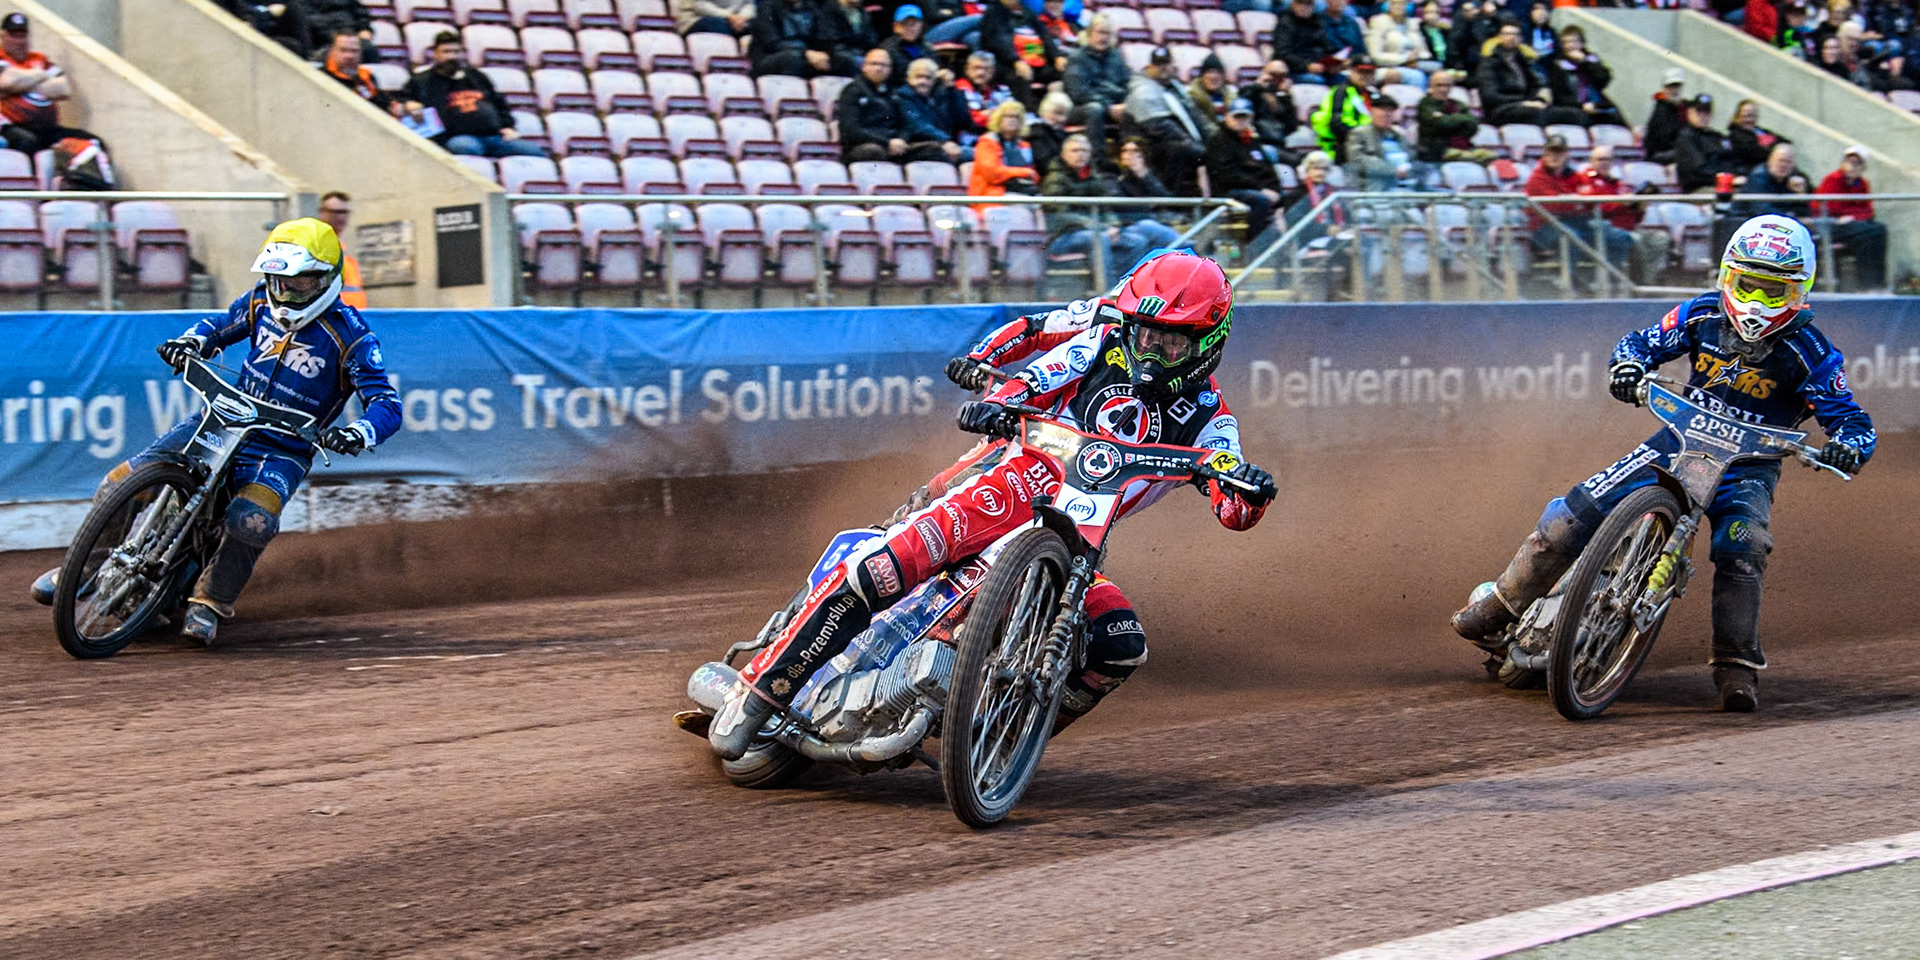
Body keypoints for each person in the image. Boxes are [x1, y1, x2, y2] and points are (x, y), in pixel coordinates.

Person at [708, 252, 1277, 759]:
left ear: (1208, 345)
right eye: (1144, 334)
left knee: (1120, 646)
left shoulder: (1211, 419)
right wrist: (996, 401)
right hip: (1019, 476)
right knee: (890, 557)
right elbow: (1037, 373)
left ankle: (997, 738)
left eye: (1170, 342)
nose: (1151, 350)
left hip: (1078, 540)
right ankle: (760, 687)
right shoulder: (1103, 340)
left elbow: (1232, 503)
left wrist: (1247, 491)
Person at [1453, 215, 1875, 713]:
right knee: (1571, 513)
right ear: (1726, 276)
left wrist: (1849, 444)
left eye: (1773, 292)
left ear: (1799, 292)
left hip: (1747, 466)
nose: (1757, 303)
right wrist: (1628, 367)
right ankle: (1501, 604)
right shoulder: (1700, 315)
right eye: (1748, 285)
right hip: (1675, 443)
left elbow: (1852, 419)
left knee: (1743, 547)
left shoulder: (1812, 352)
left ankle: (1736, 665)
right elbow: (1643, 341)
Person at [29, 219, 401, 645]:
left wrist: (358, 434)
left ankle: (209, 604)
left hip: (279, 449)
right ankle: (84, 572)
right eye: (277, 281)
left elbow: (386, 405)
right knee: (121, 482)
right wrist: (190, 342)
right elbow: (219, 325)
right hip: (223, 419)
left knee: (251, 520)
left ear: (326, 280)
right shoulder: (261, 301)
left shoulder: (352, 337)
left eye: (297, 285)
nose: (284, 293)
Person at [1042, 134, 1179, 275]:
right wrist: (1101, 227)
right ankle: (1107, 289)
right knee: (1100, 239)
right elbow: (1060, 214)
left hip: (1096, 229)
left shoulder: (1094, 177)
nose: (1080, 155)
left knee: (1136, 241)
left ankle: (1125, 284)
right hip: (1063, 236)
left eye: (1084, 151)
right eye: (1075, 151)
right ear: (1064, 154)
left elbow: (1106, 207)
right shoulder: (1055, 178)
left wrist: (1113, 226)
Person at [400, 33, 545, 158]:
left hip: (494, 137)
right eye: (446, 51)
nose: (452, 56)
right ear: (435, 54)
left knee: (534, 151)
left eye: (456, 51)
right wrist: (408, 104)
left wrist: (508, 127)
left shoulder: (477, 77)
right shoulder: (422, 81)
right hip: (457, 138)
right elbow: (401, 99)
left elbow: (499, 104)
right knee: (466, 148)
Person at [1526, 134, 1631, 274]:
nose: (1554, 156)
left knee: (1620, 237)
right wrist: (1577, 201)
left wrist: (1576, 200)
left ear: (1566, 154)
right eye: (1551, 152)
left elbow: (1589, 199)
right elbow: (1556, 206)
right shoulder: (1537, 178)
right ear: (1544, 154)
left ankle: (1607, 279)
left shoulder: (1573, 176)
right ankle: (1569, 286)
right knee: (1571, 236)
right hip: (1545, 227)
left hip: (1575, 221)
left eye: (1559, 152)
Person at [0, 14, 104, 156]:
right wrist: (40, 74)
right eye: (14, 36)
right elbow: (7, 82)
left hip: (48, 128)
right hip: (11, 127)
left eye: (23, 35)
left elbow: (63, 89)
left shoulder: (39, 59)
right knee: (28, 142)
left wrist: (23, 81)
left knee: (94, 142)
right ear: (3, 36)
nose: (19, 41)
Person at [1576, 144, 1671, 285]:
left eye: (1608, 159)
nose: (1604, 163)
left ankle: (1649, 279)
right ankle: (1641, 285)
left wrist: (1640, 208)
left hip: (1629, 227)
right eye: (1600, 159)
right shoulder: (1584, 180)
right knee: (1636, 240)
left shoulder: (1618, 184)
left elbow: (1634, 216)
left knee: (1660, 239)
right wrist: (1620, 203)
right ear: (1592, 161)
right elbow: (1592, 208)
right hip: (1607, 230)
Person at [839, 49, 945, 162]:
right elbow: (850, 130)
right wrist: (886, 143)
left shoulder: (893, 92)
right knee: (875, 151)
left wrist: (901, 140)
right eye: (874, 64)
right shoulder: (852, 91)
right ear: (863, 66)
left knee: (935, 150)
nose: (879, 68)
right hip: (862, 146)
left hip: (894, 145)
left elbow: (905, 125)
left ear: (890, 69)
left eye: (884, 65)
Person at [1125, 47, 1207, 192]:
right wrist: (1198, 149)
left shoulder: (1174, 87)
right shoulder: (1142, 89)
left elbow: (1196, 116)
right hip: (1150, 144)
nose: (1162, 68)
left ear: (1172, 66)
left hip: (1178, 141)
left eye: (1166, 64)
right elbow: (1161, 128)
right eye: (1158, 64)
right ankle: (1169, 202)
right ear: (1150, 66)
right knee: (1179, 148)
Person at [1205, 99, 1285, 247]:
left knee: (1290, 198)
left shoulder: (1251, 140)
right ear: (1227, 117)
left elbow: (1268, 169)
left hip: (1256, 189)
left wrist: (1276, 191)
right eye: (1237, 117)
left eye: (1244, 117)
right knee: (1261, 200)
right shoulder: (1219, 141)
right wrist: (1261, 189)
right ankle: (1254, 247)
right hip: (1229, 191)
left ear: (1251, 118)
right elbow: (1227, 175)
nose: (1240, 121)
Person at [1476, 17, 1582, 126]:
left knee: (1575, 114)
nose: (1511, 37)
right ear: (1499, 36)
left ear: (1521, 38)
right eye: (1507, 34)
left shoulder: (1524, 61)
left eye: (1515, 34)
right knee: (1538, 114)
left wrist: (1539, 99)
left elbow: (1534, 87)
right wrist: (1523, 102)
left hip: (1526, 106)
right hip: (1500, 110)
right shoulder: (1489, 63)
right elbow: (1490, 96)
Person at [1817, 144, 1889, 291]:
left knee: (1879, 230)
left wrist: (1852, 216)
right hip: (1831, 224)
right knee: (1869, 231)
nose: (1853, 167)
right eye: (1850, 162)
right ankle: (1869, 285)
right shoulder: (1833, 179)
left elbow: (1868, 210)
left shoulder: (1862, 184)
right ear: (1843, 163)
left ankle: (1876, 284)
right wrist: (1854, 215)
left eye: (1858, 164)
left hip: (1853, 225)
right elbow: (1831, 208)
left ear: (1863, 168)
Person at [1063, 14, 1130, 162]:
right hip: (1078, 108)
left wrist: (1126, 103)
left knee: (1134, 107)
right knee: (1094, 109)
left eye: (1107, 33)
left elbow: (1127, 83)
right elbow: (1079, 93)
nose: (1103, 38)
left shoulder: (1116, 56)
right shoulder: (1077, 57)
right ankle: (1098, 161)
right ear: (1089, 34)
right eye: (1100, 32)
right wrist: (1108, 106)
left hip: (1113, 106)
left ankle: (1131, 158)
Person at [980, 0, 1063, 105]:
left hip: (1036, 62)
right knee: (1019, 76)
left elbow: (1044, 35)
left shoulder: (1027, 12)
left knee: (1065, 70)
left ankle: (1059, 109)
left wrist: (1057, 56)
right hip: (1008, 64)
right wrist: (1016, 61)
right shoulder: (994, 13)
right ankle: (1031, 112)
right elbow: (999, 41)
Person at [895, 57, 975, 161]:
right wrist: (945, 141)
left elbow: (963, 121)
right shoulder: (902, 96)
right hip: (914, 146)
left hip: (943, 144)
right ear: (908, 78)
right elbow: (917, 125)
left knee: (981, 154)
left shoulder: (939, 95)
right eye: (918, 77)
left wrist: (951, 90)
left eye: (928, 78)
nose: (923, 81)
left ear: (934, 81)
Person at [1542, 25, 1623, 127]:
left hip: (1594, 104)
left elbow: (1603, 81)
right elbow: (1559, 95)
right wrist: (1582, 106)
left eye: (1573, 42)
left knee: (1614, 114)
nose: (1570, 46)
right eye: (1566, 42)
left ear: (1582, 43)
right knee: (1582, 117)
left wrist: (1585, 63)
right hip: (1571, 106)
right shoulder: (1557, 65)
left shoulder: (1592, 60)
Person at [750, 0, 855, 78]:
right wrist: (805, 53)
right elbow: (772, 43)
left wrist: (827, 54)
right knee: (793, 58)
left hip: (808, 56)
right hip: (769, 58)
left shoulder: (813, 8)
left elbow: (824, 39)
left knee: (843, 60)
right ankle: (792, 99)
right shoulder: (767, 7)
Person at [969, 100, 1040, 201]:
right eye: (1007, 116)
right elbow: (993, 174)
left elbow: (1033, 174)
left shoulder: (1024, 145)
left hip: (1020, 191)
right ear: (998, 119)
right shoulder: (987, 143)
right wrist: (1023, 172)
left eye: (1016, 117)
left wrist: (1028, 174)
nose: (1012, 120)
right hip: (991, 194)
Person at [1415, 70, 1492, 163]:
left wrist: (1451, 121)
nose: (1443, 89)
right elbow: (1440, 123)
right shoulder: (1425, 104)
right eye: (1439, 85)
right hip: (1438, 151)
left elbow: (1473, 125)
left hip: (1464, 147)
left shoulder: (1458, 104)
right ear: (1431, 86)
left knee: (1490, 156)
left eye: (1447, 85)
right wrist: (1461, 120)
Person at [322, 31, 402, 119]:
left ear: (360, 53)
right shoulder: (321, 76)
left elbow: (381, 102)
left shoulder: (366, 76)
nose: (349, 56)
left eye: (354, 51)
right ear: (332, 51)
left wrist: (394, 106)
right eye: (343, 50)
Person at [1344, 93, 1413, 191]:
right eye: (1382, 109)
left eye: (1390, 111)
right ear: (1372, 111)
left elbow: (1411, 159)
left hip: (1406, 188)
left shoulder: (1399, 136)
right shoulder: (1359, 133)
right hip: (1376, 188)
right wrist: (1393, 171)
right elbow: (1357, 160)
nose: (1386, 114)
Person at [1308, 57, 1373, 162]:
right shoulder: (1340, 92)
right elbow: (1337, 125)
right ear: (1351, 71)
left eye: (1369, 72)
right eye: (1361, 72)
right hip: (1339, 147)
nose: (1365, 76)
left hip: (1365, 144)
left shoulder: (1371, 95)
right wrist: (1364, 135)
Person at [1673, 94, 1741, 193]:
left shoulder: (1717, 136)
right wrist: (1727, 178)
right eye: (1699, 112)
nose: (1703, 116)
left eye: (1706, 112)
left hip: (1725, 184)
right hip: (1699, 189)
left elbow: (1732, 160)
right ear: (1690, 112)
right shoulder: (1686, 137)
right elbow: (1699, 170)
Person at [315, 191, 368, 309]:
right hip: (334, 319)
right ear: (322, 213)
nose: (341, 217)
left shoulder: (342, 250)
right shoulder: (317, 247)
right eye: (336, 212)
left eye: (344, 212)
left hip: (351, 318)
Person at [1246, 61, 1303, 163]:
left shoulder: (1283, 98)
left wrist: (1286, 97)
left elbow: (1291, 127)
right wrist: (1258, 86)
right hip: (1259, 144)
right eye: (1273, 74)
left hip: (1279, 145)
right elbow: (1242, 103)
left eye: (1281, 76)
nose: (1276, 80)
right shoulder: (1253, 93)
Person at [955, 51, 1017, 133]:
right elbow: (968, 121)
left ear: (993, 70)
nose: (981, 73)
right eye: (976, 68)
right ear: (967, 69)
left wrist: (988, 114)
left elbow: (1014, 114)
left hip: (1001, 135)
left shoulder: (1003, 89)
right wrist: (997, 114)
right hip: (971, 137)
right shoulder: (958, 89)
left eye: (986, 69)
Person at [1274, 0, 1335, 79]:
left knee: (1343, 78)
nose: (1305, 7)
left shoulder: (1318, 22)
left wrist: (1333, 63)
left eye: (1309, 4)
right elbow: (1283, 54)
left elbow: (1328, 47)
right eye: (1301, 3)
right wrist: (1307, 66)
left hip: (1321, 67)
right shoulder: (1285, 23)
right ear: (1293, 4)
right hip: (1295, 70)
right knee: (1316, 79)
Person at [1727, 99, 1791, 171]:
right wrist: (1775, 150)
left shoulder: (1760, 131)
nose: (1750, 120)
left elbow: (1785, 142)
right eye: (1746, 116)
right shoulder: (1737, 135)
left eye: (1753, 116)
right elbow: (1756, 153)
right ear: (1737, 117)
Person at [1368, 2, 1431, 72]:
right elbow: (1375, 56)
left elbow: (1425, 52)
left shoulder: (1414, 23)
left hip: (1417, 64)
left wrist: (1417, 57)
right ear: (1387, 5)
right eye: (1394, 3)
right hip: (1390, 67)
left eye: (1403, 3)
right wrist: (1406, 58)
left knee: (1439, 68)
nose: (1398, 6)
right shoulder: (1379, 22)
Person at [1644, 68, 1690, 163]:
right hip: (1660, 155)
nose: (1674, 90)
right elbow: (1663, 140)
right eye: (1671, 87)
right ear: (1664, 88)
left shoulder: (1686, 106)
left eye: (1677, 86)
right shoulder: (1660, 110)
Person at [1188, 54, 1237, 139]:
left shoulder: (1232, 96)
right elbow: (1204, 126)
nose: (1213, 76)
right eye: (1209, 72)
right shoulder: (1192, 98)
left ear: (1223, 76)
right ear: (1202, 76)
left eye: (1218, 72)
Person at [879, 5, 930, 85]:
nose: (910, 28)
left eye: (913, 24)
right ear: (895, 27)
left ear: (921, 25)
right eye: (905, 24)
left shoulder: (927, 48)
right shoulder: (887, 50)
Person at [1028, 91, 1073, 176]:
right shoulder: (1036, 134)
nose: (1062, 119)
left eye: (1065, 114)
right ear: (1045, 112)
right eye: (1057, 113)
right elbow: (1045, 166)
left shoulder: (1065, 135)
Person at [679, 0, 755, 36]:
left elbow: (748, 4)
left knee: (758, 27)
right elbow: (700, 6)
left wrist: (742, 18)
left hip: (735, 21)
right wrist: (729, 16)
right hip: (697, 19)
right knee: (717, 25)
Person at [1416, 1, 1452, 73]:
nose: (1433, 16)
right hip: (1427, 64)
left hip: (1445, 64)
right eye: (1429, 12)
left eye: (1436, 12)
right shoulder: (1418, 30)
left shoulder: (1444, 30)